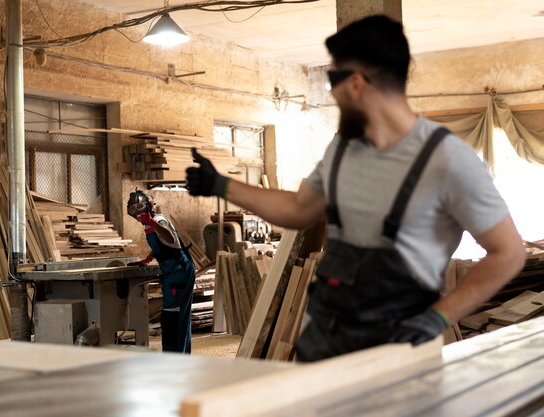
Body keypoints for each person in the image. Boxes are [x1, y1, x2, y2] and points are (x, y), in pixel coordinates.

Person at [185, 14, 525, 362]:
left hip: (400, 352)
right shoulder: (344, 150)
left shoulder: (447, 160)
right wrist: (221, 184)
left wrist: (439, 316)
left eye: (333, 78)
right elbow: (299, 209)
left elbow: (509, 253)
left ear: (357, 83)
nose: (331, 91)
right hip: (325, 337)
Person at [126, 189, 195, 353]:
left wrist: (152, 222)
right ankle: (180, 355)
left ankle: (175, 357)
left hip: (180, 273)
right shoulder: (150, 225)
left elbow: (171, 238)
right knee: (178, 317)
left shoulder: (158, 221)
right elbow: (163, 246)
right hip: (173, 274)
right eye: (134, 210)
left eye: (141, 208)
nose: (138, 214)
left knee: (173, 317)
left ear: (149, 207)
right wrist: (148, 259)